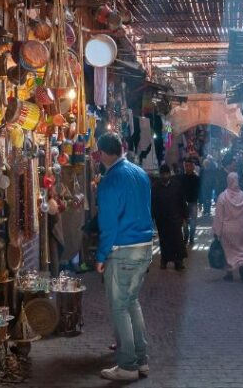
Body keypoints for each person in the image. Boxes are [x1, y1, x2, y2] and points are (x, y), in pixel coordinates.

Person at [95, 132, 155, 381]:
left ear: (102, 153)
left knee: (120, 306)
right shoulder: (140, 173)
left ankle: (128, 365)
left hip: (124, 249)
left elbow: (108, 224)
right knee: (131, 302)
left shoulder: (110, 181)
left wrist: (101, 255)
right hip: (145, 246)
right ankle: (141, 361)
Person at [213, 172, 243, 283]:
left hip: (227, 230)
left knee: (228, 252)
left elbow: (219, 216)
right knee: (241, 250)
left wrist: (217, 231)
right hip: (240, 229)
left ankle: (229, 273)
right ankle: (242, 266)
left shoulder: (223, 197)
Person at [151, 164, 187, 270]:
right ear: (161, 175)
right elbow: (152, 203)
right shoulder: (156, 187)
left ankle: (178, 262)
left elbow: (182, 201)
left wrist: (185, 216)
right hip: (162, 219)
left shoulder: (176, 185)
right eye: (163, 174)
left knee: (177, 241)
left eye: (167, 174)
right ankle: (164, 260)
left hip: (175, 218)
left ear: (169, 174)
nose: (165, 176)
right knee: (164, 241)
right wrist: (153, 217)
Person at [180, 159, 201, 245]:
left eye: (189, 166)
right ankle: (186, 237)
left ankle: (191, 237)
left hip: (193, 202)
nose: (187, 168)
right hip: (184, 203)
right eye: (186, 166)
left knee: (193, 222)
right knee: (184, 222)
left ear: (193, 167)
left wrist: (200, 202)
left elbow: (199, 191)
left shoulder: (197, 178)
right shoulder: (182, 178)